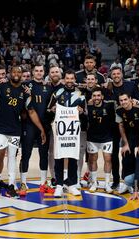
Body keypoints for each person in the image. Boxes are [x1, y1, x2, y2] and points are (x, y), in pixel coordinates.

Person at [0, 66, 46, 200]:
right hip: (0, 128)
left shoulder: (25, 92)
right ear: (10, 73)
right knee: (0, 155)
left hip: (15, 130)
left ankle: (11, 186)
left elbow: (31, 111)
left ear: (22, 74)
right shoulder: (0, 87)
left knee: (12, 157)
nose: (16, 74)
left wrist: (41, 129)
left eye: (19, 72)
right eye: (14, 72)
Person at [48, 69, 86, 198]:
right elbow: (49, 109)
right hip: (60, 131)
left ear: (75, 80)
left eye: (72, 78)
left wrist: (81, 111)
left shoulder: (80, 94)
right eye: (67, 78)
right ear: (64, 79)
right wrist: (53, 109)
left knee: (73, 157)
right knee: (59, 156)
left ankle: (71, 184)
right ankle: (59, 185)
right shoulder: (57, 93)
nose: (69, 81)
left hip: (74, 131)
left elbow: (85, 112)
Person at [19, 64, 53, 196]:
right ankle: (23, 183)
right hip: (28, 125)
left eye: (41, 71)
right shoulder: (26, 86)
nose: (39, 73)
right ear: (33, 72)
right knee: (26, 154)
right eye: (36, 71)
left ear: (44, 72)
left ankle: (43, 183)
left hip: (44, 125)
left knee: (43, 154)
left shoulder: (48, 88)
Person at [116, 93, 139, 193]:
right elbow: (121, 127)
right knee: (126, 154)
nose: (123, 102)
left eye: (125, 99)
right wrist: (126, 144)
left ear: (130, 99)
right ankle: (127, 183)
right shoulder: (119, 110)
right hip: (130, 135)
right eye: (121, 100)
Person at [86, 87, 115, 193]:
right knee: (93, 159)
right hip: (92, 138)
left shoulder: (109, 106)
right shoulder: (88, 108)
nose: (96, 98)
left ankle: (107, 184)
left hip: (107, 137)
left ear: (102, 97)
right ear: (91, 97)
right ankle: (94, 182)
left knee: (108, 159)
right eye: (94, 96)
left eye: (98, 95)